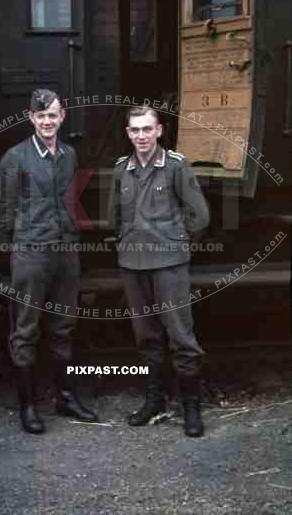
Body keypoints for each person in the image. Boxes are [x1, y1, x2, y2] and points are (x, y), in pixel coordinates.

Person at [0, 89, 98, 434]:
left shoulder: (69, 154)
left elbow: (71, 201)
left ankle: (64, 398)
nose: (47, 122)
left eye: (53, 115)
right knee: (26, 329)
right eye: (41, 116)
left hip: (66, 252)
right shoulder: (15, 157)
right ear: (30, 118)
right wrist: (18, 244)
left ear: (62, 117)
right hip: (31, 252)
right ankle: (29, 406)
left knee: (64, 326)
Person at [112, 106, 210, 437]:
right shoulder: (121, 170)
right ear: (128, 134)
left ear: (159, 131)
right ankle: (154, 401)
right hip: (132, 264)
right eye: (135, 130)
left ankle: (191, 408)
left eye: (146, 129)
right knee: (146, 337)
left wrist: (173, 241)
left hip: (169, 263)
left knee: (181, 336)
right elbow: (117, 216)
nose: (141, 135)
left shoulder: (176, 166)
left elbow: (199, 216)